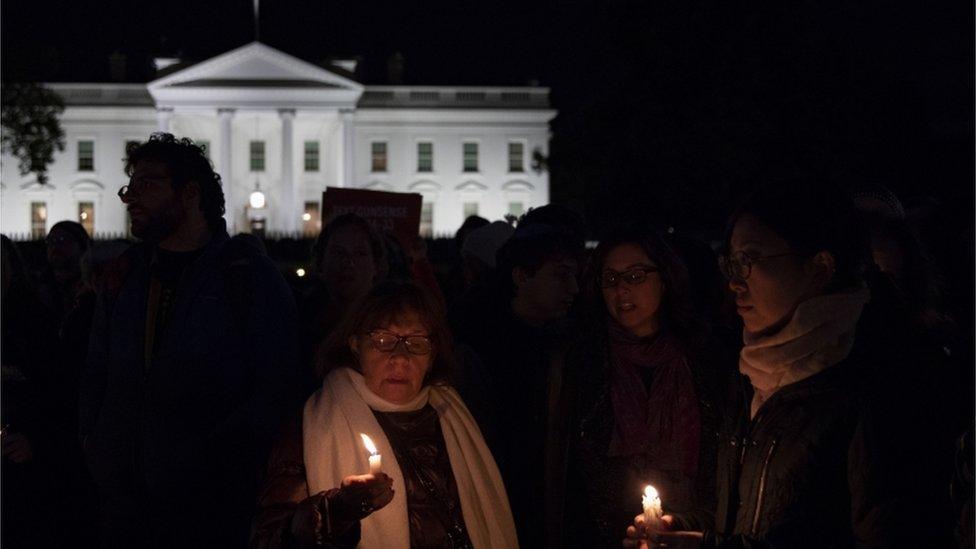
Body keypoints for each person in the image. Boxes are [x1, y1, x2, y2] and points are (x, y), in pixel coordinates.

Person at [625, 181, 924, 548]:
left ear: (819, 267)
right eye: (731, 263)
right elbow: (745, 516)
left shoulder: (880, 381)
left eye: (751, 260)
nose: (734, 282)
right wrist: (682, 530)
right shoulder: (752, 372)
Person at [80, 133, 301, 547]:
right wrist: (95, 442)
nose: (131, 197)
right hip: (123, 502)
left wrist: (218, 458)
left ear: (190, 193)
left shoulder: (247, 277)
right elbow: (97, 370)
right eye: (131, 185)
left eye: (147, 184)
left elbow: (277, 384)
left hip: (210, 507)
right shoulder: (124, 276)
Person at [251, 280, 517, 548]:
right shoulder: (311, 426)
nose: (401, 357)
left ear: (433, 354)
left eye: (416, 342)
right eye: (383, 340)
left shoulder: (455, 416)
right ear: (356, 345)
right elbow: (268, 538)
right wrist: (336, 512)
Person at [564, 225, 729, 548]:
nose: (621, 290)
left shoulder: (706, 358)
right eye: (610, 280)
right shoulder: (583, 362)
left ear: (665, 280)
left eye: (635, 276)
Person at [450, 204, 586, 548]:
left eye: (575, 276)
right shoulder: (476, 350)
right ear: (521, 276)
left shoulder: (570, 346)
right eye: (560, 275)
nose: (573, 288)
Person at [300, 213, 387, 386]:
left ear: (376, 266)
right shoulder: (297, 322)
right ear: (320, 262)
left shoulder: (393, 324)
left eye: (360, 253)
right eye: (338, 252)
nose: (348, 263)